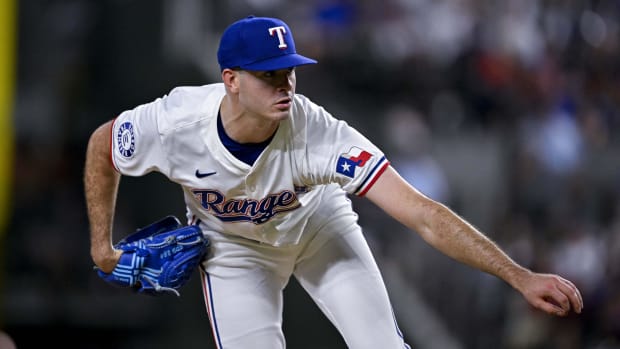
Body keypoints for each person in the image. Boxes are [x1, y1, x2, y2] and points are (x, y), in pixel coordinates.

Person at [84, 15, 583, 349]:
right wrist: (102, 249)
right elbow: (102, 145)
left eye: (289, 71)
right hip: (235, 251)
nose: (285, 85)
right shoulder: (175, 123)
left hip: (319, 228)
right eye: (268, 75)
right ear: (231, 78)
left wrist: (519, 275)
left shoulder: (319, 133)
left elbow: (423, 215)